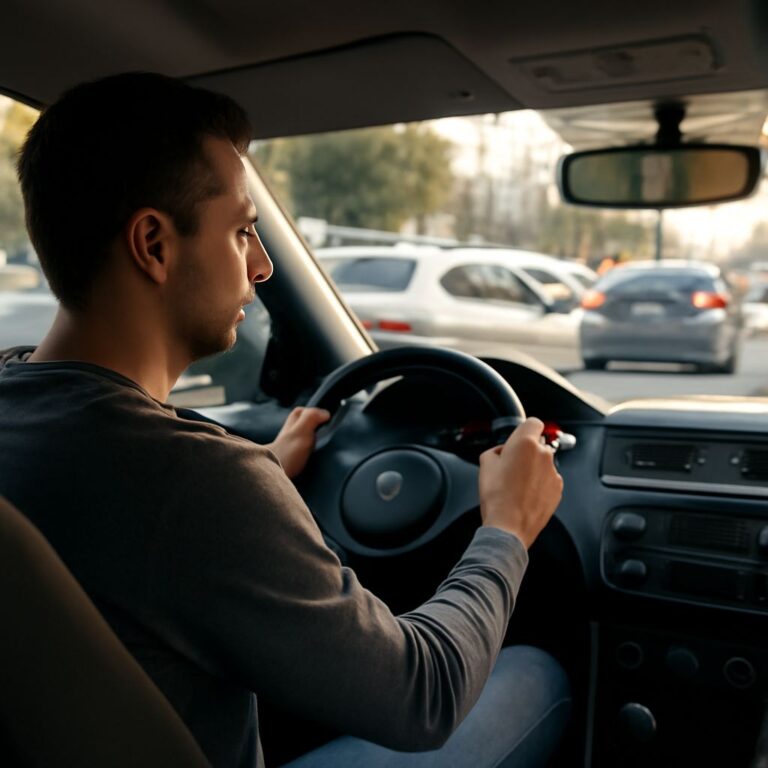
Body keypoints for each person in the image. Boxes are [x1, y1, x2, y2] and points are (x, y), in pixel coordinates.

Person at [0, 73, 569, 767]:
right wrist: (506, 529)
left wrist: (265, 466)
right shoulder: (198, 482)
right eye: (243, 231)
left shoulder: (21, 400)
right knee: (537, 676)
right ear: (153, 244)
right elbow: (425, 695)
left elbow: (125, 529)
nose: (264, 265)